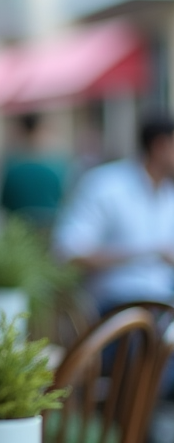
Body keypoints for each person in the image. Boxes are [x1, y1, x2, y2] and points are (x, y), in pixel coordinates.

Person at [52, 115, 174, 315]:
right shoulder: (106, 185)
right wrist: (149, 254)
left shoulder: (168, 193)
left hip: (162, 304)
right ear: (160, 146)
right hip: (115, 307)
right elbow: (69, 253)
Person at [0, 113, 66, 231]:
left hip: (19, 231)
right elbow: (61, 199)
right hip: (48, 229)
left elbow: (3, 204)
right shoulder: (56, 167)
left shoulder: (12, 169)